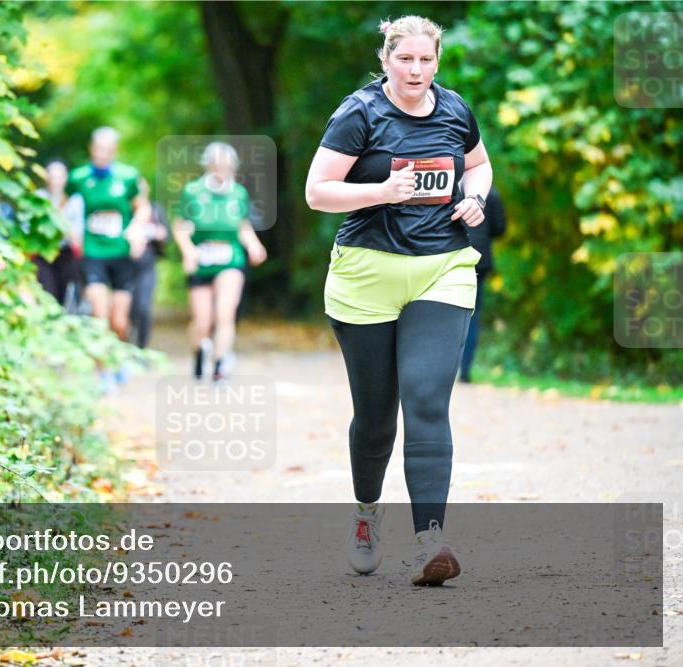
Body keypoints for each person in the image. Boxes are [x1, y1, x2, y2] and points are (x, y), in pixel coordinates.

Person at [305, 16, 492, 585]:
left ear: (437, 61)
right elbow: (317, 192)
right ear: (386, 59)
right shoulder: (359, 113)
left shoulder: (455, 110)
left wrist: (474, 198)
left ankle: (429, 542)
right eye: (405, 60)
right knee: (377, 415)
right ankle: (366, 513)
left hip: (443, 269)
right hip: (366, 276)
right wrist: (381, 192)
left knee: (427, 399)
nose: (416, 71)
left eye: (426, 61)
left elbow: (479, 165)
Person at [173, 142, 267, 382]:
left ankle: (219, 363)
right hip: (201, 260)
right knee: (203, 322)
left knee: (225, 313)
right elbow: (181, 227)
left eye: (227, 166)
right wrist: (188, 251)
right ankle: (198, 352)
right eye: (217, 165)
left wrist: (254, 245)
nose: (222, 170)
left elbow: (243, 225)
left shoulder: (238, 193)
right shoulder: (192, 192)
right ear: (208, 165)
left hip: (230, 258)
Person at [67, 127, 151, 344]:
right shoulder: (78, 178)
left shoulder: (128, 177)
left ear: (114, 151)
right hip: (93, 251)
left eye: (106, 150)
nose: (101, 154)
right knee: (99, 314)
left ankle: (119, 356)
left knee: (119, 321)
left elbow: (142, 208)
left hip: (121, 252)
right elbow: (60, 208)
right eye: (98, 149)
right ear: (91, 149)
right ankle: (102, 372)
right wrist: (71, 231)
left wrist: (135, 228)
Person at [460, 185, 506, 382]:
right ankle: (465, 371)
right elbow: (500, 228)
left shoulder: (449, 187)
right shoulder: (490, 193)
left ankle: (444, 368)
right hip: (480, 259)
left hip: (452, 255)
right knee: (473, 316)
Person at [36, 159, 84, 309]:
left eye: (59, 176)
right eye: (52, 176)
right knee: (47, 292)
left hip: (66, 254)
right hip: (43, 253)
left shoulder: (74, 201)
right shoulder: (37, 198)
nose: (55, 181)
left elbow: (77, 236)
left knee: (66, 294)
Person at [129, 178, 169, 349]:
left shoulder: (155, 210)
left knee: (143, 306)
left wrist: (159, 234)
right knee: (128, 308)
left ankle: (142, 346)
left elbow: (167, 235)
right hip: (125, 267)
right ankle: (127, 345)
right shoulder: (125, 210)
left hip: (147, 266)